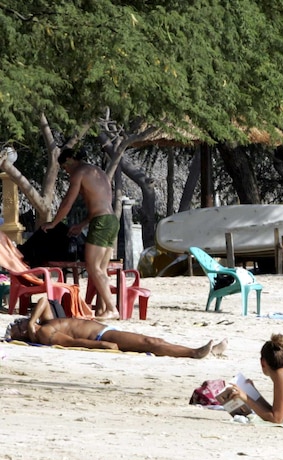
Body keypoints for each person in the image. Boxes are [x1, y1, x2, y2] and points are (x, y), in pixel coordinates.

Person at [40, 148, 120, 320]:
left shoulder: (80, 172)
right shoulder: (98, 172)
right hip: (111, 220)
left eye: (65, 167)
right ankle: (102, 310)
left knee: (93, 267)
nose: (66, 172)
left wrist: (54, 223)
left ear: (69, 159)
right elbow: (99, 203)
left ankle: (112, 309)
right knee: (101, 270)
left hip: (101, 222)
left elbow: (68, 201)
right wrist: (82, 224)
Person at [4, 297, 228, 357]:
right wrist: (103, 345)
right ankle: (194, 352)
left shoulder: (42, 322)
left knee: (150, 341)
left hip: (105, 330)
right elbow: (73, 342)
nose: (21, 320)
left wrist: (32, 322)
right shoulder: (44, 333)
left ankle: (207, 351)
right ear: (23, 333)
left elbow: (44, 300)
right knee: (151, 343)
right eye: (18, 324)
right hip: (104, 334)